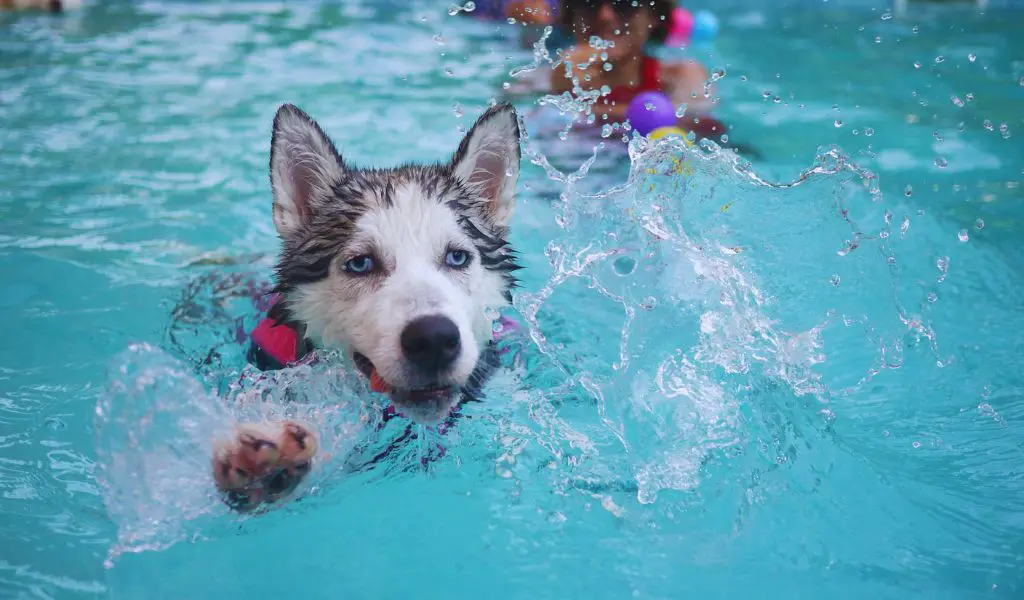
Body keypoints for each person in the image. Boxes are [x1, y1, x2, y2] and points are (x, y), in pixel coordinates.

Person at [549, 0, 726, 142]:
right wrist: (558, 88)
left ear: (653, 16)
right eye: (590, 3)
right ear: (573, 16)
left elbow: (701, 128)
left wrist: (575, 112)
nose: (605, 16)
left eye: (624, 4)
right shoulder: (548, 77)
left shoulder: (680, 76)